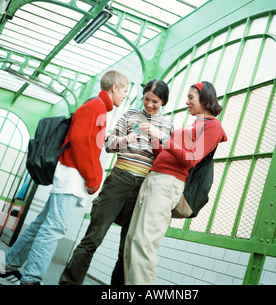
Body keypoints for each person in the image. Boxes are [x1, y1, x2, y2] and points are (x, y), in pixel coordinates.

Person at [0, 70, 129, 285]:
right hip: (71, 178)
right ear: (114, 88)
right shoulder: (96, 106)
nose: (124, 96)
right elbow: (80, 143)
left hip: (69, 176)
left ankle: (10, 263)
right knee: (53, 228)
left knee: (41, 224)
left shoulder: (98, 108)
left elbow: (89, 145)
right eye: (124, 91)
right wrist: (92, 178)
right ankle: (31, 278)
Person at [59, 79, 173, 285]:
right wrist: (124, 140)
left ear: (163, 102)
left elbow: (168, 157)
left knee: (126, 248)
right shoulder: (129, 114)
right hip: (119, 179)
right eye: (146, 99)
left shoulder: (168, 125)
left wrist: (159, 139)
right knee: (93, 237)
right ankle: (69, 282)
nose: (149, 104)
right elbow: (108, 145)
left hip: (143, 187)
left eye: (155, 101)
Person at [124, 81, 227, 285]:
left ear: (205, 98)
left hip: (168, 184)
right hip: (153, 178)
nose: (187, 101)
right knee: (131, 242)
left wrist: (161, 136)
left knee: (144, 244)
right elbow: (164, 154)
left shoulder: (213, 125)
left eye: (191, 97)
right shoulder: (192, 124)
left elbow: (191, 159)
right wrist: (153, 137)